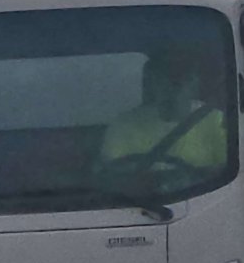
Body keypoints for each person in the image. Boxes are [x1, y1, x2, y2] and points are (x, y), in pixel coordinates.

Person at [96, 47, 229, 175]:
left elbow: (226, 171)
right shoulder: (123, 125)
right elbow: (112, 175)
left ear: (193, 85)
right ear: (151, 86)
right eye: (161, 82)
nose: (168, 91)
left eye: (176, 83)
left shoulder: (216, 121)